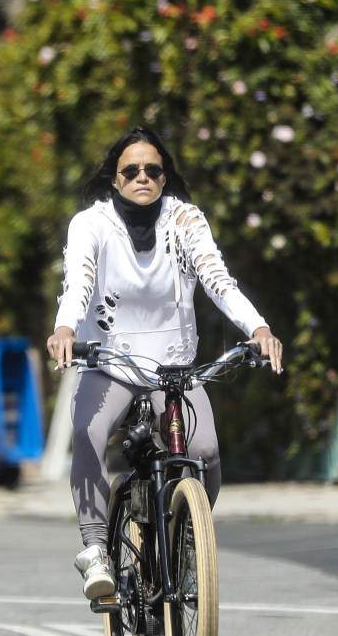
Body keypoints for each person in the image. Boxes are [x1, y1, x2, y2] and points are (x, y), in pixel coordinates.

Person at [45, 126, 284, 601]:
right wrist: (66, 329)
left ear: (164, 177)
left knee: (207, 453)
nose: (142, 178)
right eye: (130, 170)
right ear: (115, 180)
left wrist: (258, 329)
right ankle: (95, 548)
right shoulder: (90, 224)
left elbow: (217, 280)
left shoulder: (185, 220)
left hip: (173, 367)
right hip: (110, 362)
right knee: (88, 435)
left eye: (152, 170)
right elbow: (80, 284)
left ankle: (187, 538)